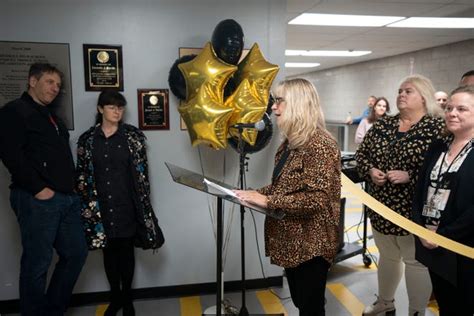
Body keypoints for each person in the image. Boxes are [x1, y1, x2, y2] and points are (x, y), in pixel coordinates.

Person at [234, 78, 341, 316]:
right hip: (293, 241)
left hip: (311, 244)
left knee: (311, 308)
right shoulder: (291, 144)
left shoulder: (320, 144)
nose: (273, 107)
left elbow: (316, 199)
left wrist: (268, 201)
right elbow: (284, 187)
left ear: (299, 104)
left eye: (279, 101)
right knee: (302, 303)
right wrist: (253, 194)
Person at [0, 63, 88, 315]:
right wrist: (38, 188)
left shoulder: (52, 117)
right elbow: (10, 153)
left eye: (58, 85)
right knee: (37, 263)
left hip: (66, 199)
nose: (55, 88)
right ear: (32, 81)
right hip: (37, 199)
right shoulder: (14, 111)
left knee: (76, 253)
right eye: (50, 82)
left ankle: (51, 311)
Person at [355, 74, 445, 316]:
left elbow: (444, 170)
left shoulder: (437, 128)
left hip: (414, 211)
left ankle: (416, 311)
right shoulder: (383, 125)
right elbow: (361, 156)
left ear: (424, 97)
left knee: (415, 262)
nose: (401, 95)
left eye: (408, 91)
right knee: (388, 257)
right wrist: (371, 170)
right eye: (399, 91)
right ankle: (385, 302)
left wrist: (411, 176)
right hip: (382, 208)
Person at [76, 90, 163, 316]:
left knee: (126, 253)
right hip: (100, 207)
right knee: (109, 253)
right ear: (100, 109)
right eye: (112, 107)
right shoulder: (87, 140)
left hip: (126, 205)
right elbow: (82, 176)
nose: (117, 111)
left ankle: (127, 300)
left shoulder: (133, 137)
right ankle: (115, 298)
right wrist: (84, 206)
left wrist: (144, 206)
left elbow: (143, 175)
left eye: (120, 107)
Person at [412, 85, 474, 315]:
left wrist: (444, 236)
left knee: (464, 306)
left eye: (462, 109)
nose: (452, 113)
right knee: (445, 303)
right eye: (449, 108)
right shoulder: (438, 146)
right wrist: (420, 227)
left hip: (463, 245)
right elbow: (420, 190)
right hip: (432, 243)